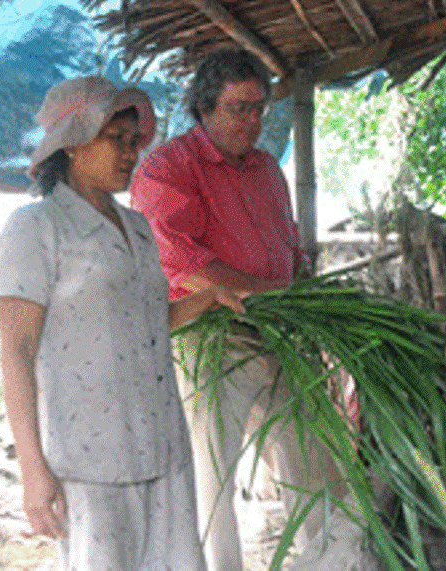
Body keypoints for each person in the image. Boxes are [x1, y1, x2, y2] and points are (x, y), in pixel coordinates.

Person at [0, 76, 243, 570]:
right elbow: (17, 350)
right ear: (72, 144)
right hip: (91, 459)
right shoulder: (37, 227)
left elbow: (146, 323)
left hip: (164, 448)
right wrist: (32, 469)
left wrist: (209, 299)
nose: (131, 154)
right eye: (116, 140)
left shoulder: (138, 228)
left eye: (135, 142)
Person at [129, 49, 344, 571]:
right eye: (239, 108)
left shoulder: (269, 169)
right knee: (211, 477)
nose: (253, 120)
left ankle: (331, 560)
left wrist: (300, 282)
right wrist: (268, 295)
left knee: (315, 460)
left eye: (260, 108)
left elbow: (288, 249)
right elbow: (180, 260)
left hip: (278, 335)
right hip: (210, 336)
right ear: (205, 106)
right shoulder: (168, 168)